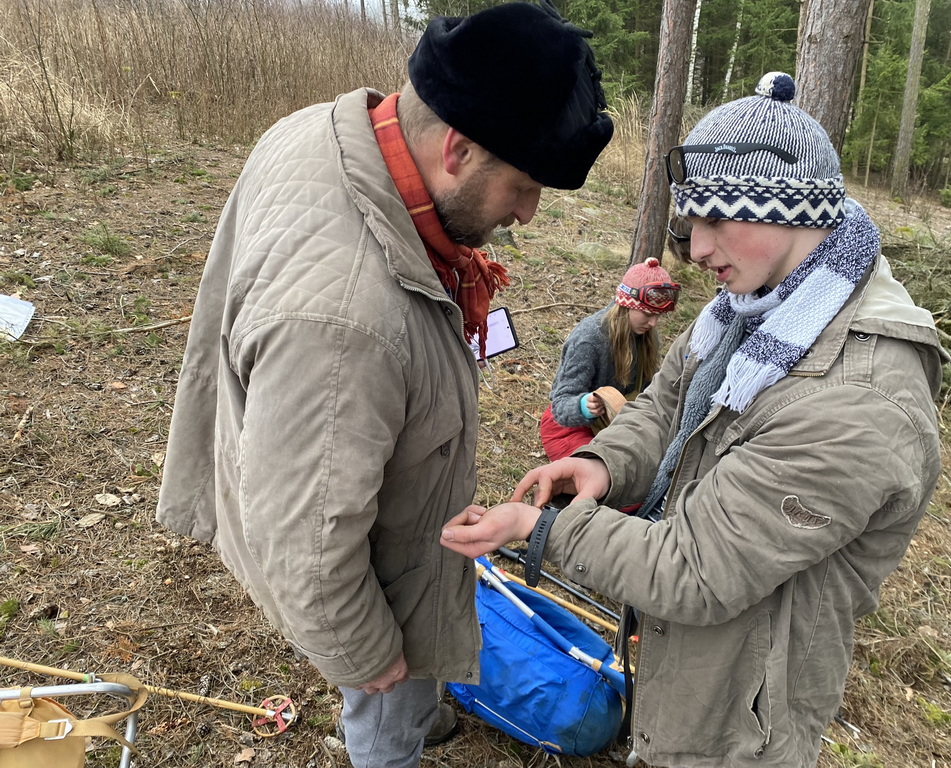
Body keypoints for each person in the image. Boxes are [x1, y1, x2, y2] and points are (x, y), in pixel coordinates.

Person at [439, 71, 946, 768]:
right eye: (690, 223)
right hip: (687, 663)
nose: (697, 249)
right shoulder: (753, 308)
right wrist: (601, 463)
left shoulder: (855, 401)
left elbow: (695, 570)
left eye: (714, 220)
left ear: (787, 209)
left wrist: (540, 528)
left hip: (741, 718)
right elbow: (667, 404)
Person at [154, 2, 613, 766]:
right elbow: (307, 544)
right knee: (385, 716)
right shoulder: (348, 324)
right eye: (524, 186)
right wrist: (368, 653)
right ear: (458, 149)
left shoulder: (325, 130)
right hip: (368, 575)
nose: (529, 215)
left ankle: (410, 712)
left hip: (360, 483)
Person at [540, 256, 678, 462]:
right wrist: (584, 406)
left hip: (614, 424)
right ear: (626, 305)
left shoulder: (645, 335)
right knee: (600, 470)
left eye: (659, 316)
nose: (653, 323)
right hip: (571, 427)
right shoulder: (588, 339)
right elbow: (561, 405)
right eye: (648, 314)